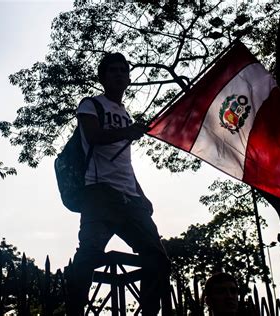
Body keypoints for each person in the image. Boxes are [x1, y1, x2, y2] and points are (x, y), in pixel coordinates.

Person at [65, 52, 170, 316]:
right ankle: (75, 310)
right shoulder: (91, 105)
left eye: (124, 70)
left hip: (129, 197)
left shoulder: (125, 113)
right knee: (89, 253)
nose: (119, 74)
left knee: (158, 259)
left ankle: (148, 312)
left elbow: (124, 162)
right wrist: (127, 132)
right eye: (113, 70)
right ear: (102, 76)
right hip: (99, 194)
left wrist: (141, 194)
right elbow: (94, 136)